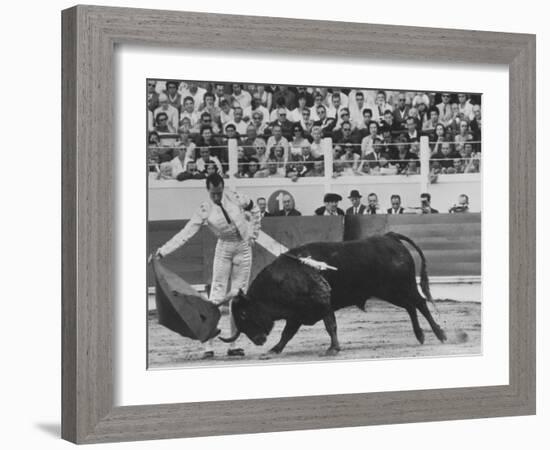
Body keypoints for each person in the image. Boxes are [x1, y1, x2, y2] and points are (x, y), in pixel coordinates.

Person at [151, 173, 261, 358]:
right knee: (216, 295)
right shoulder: (205, 209)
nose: (216, 197)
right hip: (224, 248)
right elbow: (186, 233)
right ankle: (208, 346)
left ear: (223, 187)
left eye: (218, 192)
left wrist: (253, 233)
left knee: (239, 298)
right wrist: (162, 251)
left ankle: (234, 345)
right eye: (213, 194)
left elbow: (256, 209)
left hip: (243, 248)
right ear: (207, 190)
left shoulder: (236, 197)